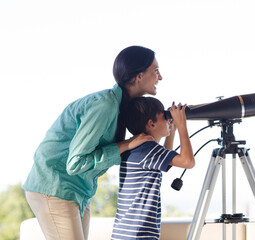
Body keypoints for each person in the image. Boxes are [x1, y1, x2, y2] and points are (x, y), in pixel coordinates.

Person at [22, 46, 165, 240]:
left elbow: (146, 145)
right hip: (55, 186)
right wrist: (126, 144)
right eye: (155, 70)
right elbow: (75, 163)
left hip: (80, 190)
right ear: (139, 76)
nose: (160, 77)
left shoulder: (123, 108)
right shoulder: (105, 105)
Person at [111, 97, 195, 240]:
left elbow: (165, 160)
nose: (168, 120)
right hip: (139, 234)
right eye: (165, 117)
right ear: (151, 124)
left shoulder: (138, 147)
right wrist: (182, 125)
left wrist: (172, 130)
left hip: (125, 232)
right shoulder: (148, 150)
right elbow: (188, 162)